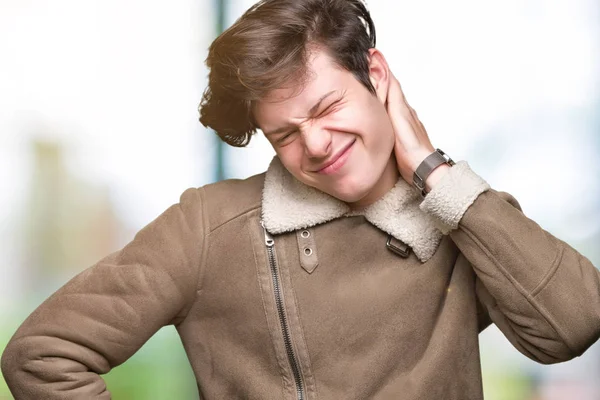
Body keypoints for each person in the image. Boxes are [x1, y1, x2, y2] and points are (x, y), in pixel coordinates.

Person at [2, 0, 599, 398]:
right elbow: (41, 354)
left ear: (377, 75)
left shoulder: (460, 213)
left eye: (327, 107)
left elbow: (573, 325)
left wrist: (430, 168)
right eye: (285, 133)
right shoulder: (210, 227)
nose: (314, 144)